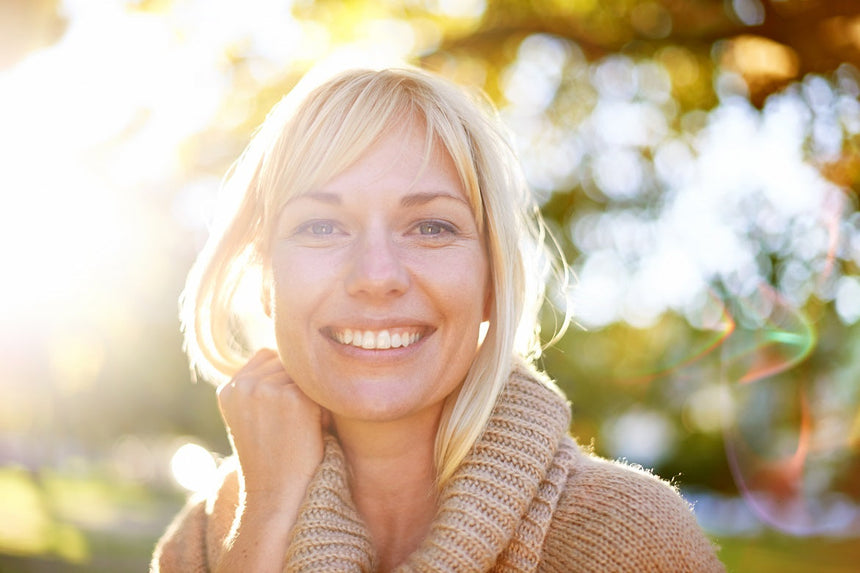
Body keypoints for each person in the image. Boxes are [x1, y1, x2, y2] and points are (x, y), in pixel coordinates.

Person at [151, 66, 725, 572]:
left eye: (431, 227)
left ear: (491, 282)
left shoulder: (628, 541)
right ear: (267, 280)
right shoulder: (207, 534)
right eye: (321, 227)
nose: (376, 275)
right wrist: (269, 512)